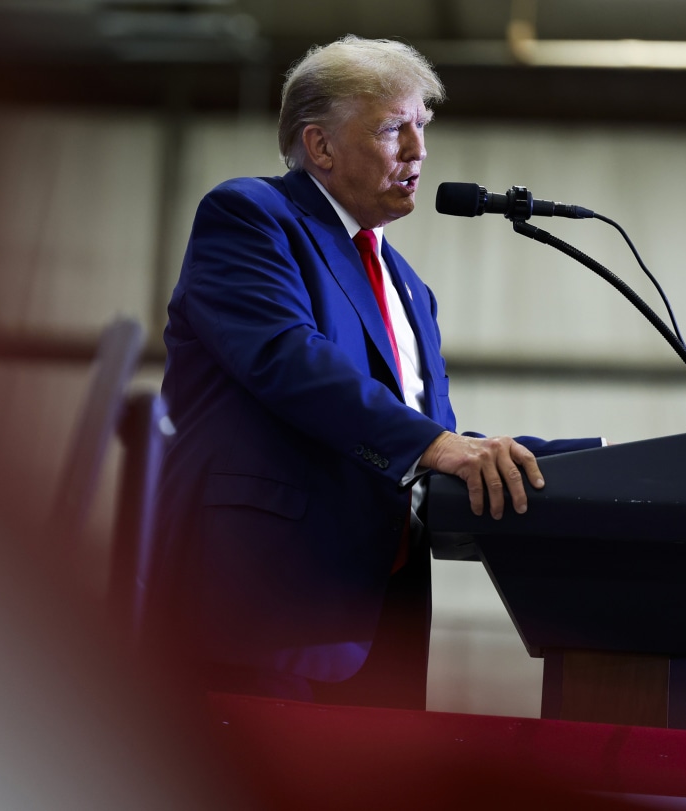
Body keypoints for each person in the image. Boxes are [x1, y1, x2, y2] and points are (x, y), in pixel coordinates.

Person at [151, 36, 601, 708]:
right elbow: (287, 357)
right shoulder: (251, 217)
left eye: (423, 125)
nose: (418, 151)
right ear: (321, 146)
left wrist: (567, 463)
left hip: (382, 614)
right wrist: (435, 444)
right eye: (395, 128)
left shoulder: (411, 289)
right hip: (260, 605)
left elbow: (425, 433)